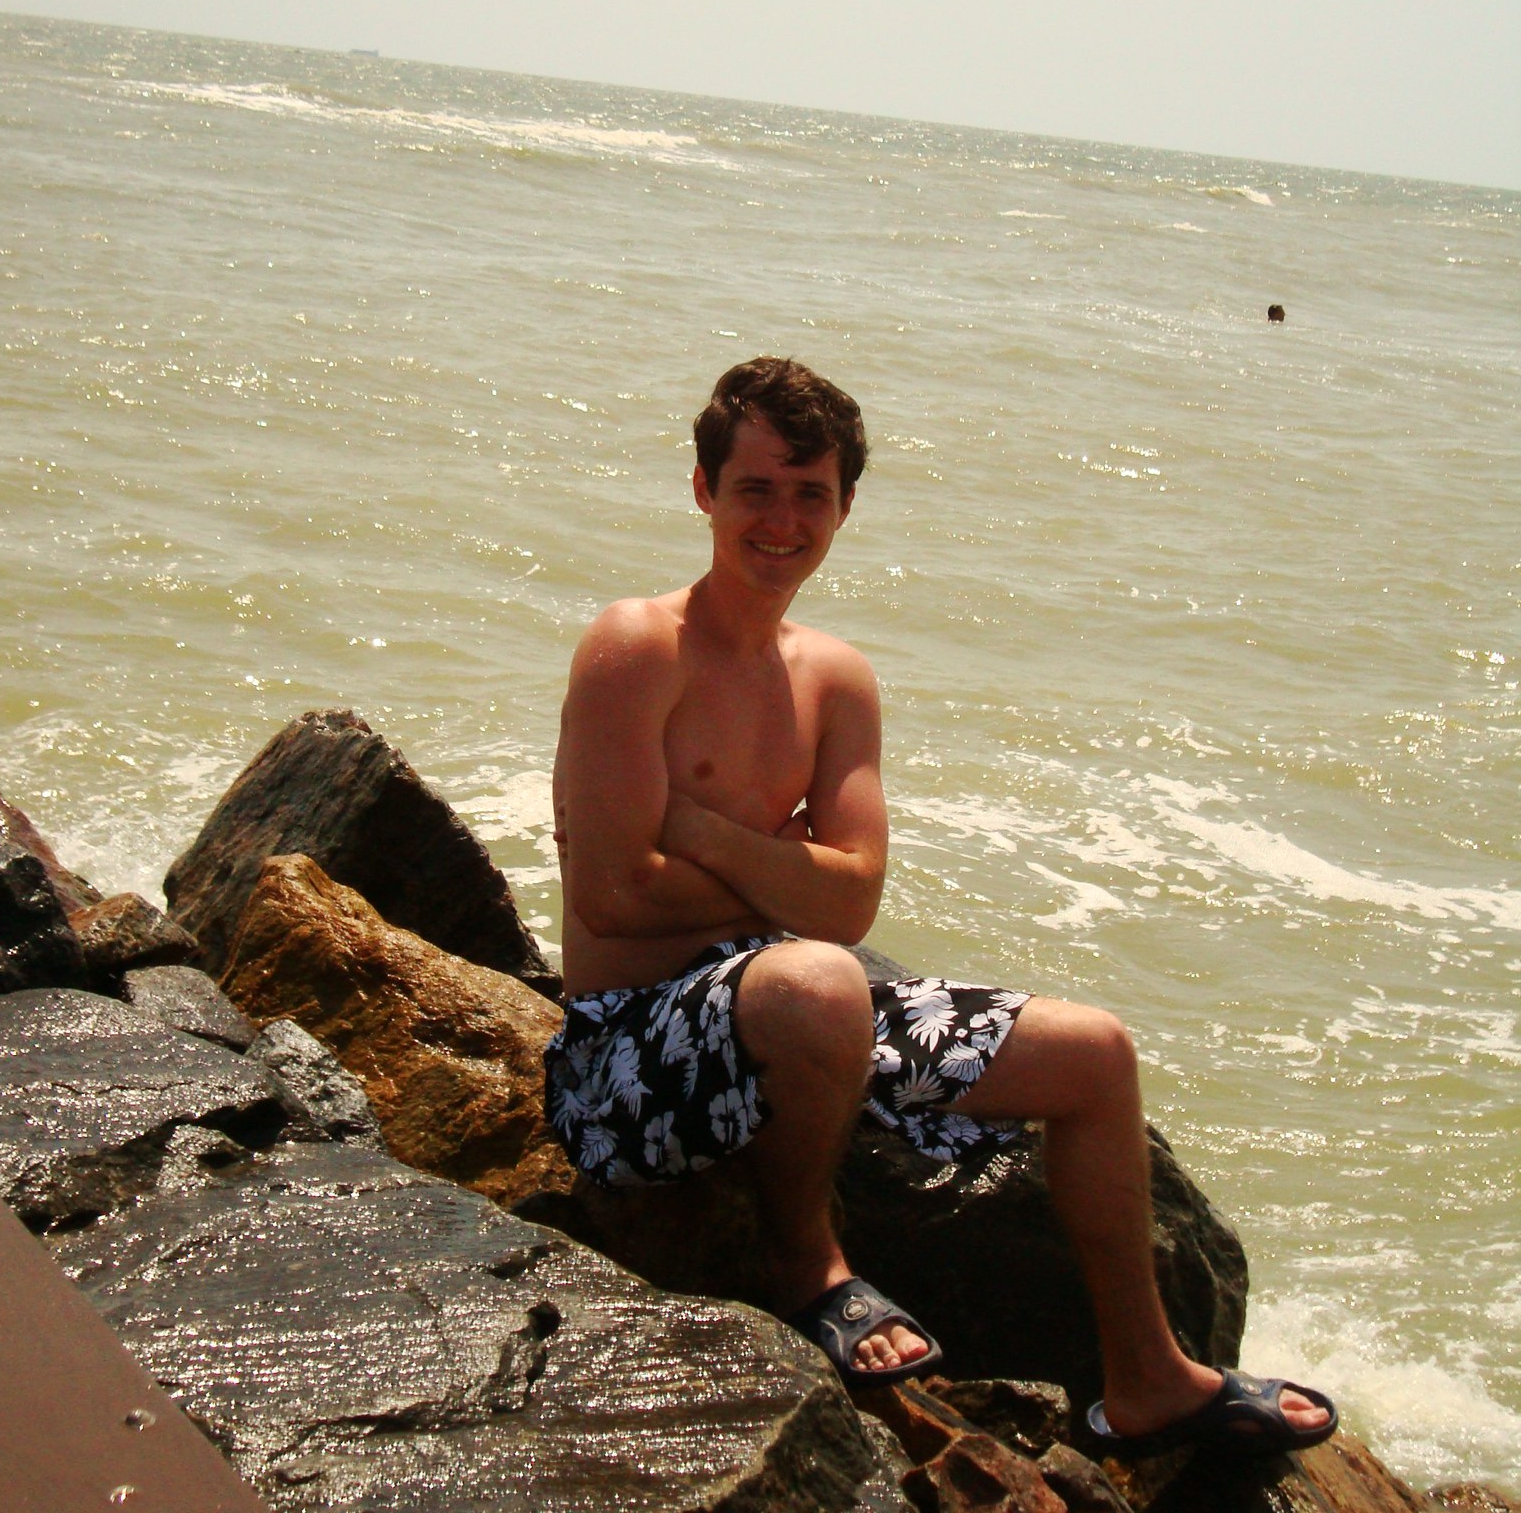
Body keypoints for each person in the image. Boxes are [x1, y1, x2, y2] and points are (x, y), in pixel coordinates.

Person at [545, 358, 1336, 1455]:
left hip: (800, 1007)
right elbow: (614, 894)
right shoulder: (639, 646)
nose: (783, 520)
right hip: (623, 1058)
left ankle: (1149, 1377)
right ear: (703, 491)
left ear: (845, 507)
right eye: (756, 488)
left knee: (1095, 1054)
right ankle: (808, 1264)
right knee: (821, 981)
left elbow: (854, 896)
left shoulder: (835, 679)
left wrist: (704, 832)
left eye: (811, 493)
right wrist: (787, 869)